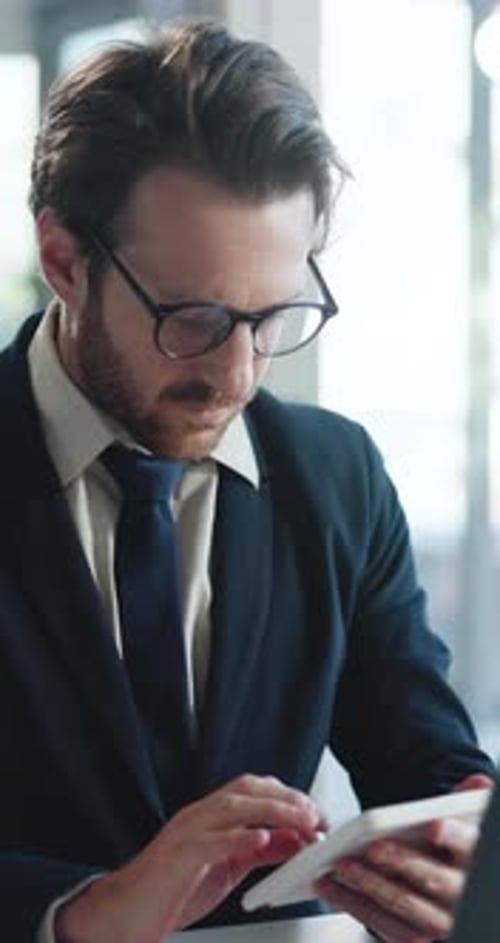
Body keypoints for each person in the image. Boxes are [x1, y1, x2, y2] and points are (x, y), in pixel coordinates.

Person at [0, 16, 494, 943]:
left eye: (273, 317)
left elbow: (429, 766)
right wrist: (80, 913)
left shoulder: (336, 475)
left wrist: (463, 862)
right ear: (63, 261)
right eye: (192, 318)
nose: (237, 376)